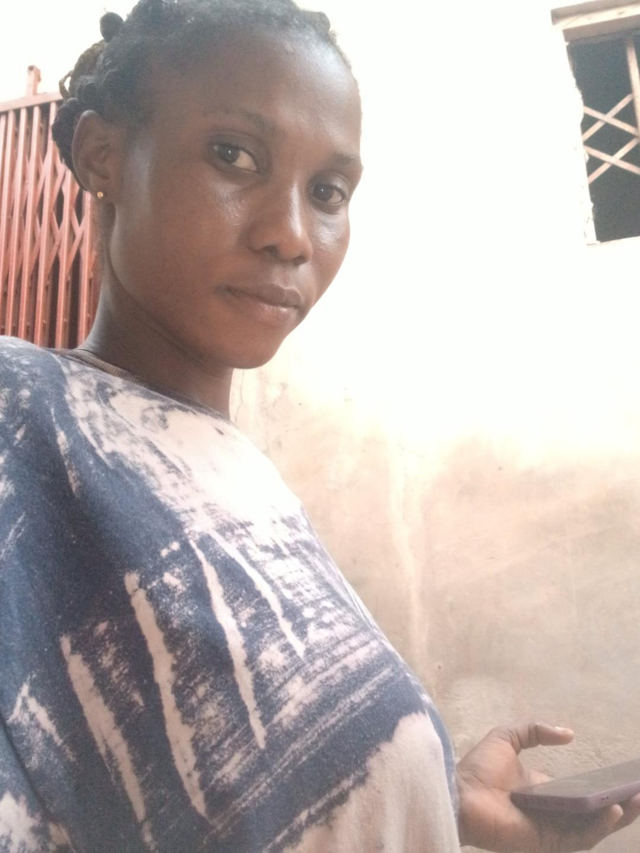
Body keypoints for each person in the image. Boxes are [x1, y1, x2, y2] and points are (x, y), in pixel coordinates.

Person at [0, 1, 638, 851]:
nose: (292, 235)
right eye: (234, 155)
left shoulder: (242, 476)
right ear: (101, 156)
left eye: (328, 192)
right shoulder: (23, 411)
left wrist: (432, 793)